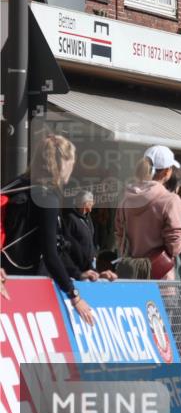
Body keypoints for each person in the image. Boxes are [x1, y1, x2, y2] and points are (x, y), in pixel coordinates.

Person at [1, 135, 107, 325]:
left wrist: (77, 273)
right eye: (72, 161)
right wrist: (74, 295)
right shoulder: (47, 197)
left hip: (6, 279)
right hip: (27, 284)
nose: (72, 168)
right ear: (61, 162)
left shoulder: (15, 185)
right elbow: (50, 253)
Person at [115, 146, 181, 281]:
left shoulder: (125, 200)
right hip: (160, 278)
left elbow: (120, 238)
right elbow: (175, 247)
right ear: (167, 171)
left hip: (132, 276)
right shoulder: (170, 200)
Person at [62, 190, 97, 274]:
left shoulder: (88, 218)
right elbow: (67, 242)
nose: (93, 204)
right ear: (86, 203)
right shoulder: (70, 218)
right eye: (92, 202)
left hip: (90, 262)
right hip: (77, 265)